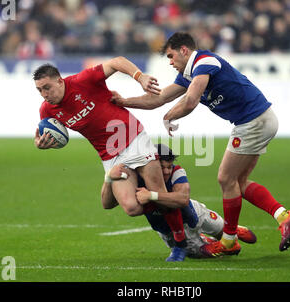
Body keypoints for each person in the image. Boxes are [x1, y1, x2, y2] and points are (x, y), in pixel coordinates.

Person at [111, 32, 290, 257]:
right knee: (238, 182)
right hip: (260, 120)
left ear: (184, 50)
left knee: (225, 178)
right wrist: (124, 101)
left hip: (252, 121)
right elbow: (159, 98)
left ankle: (229, 240)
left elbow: (191, 101)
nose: (170, 62)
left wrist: (169, 117)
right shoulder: (189, 74)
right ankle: (283, 216)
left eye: (172, 56)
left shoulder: (205, 62)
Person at [32, 57, 188, 261]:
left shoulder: (82, 80)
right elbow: (41, 134)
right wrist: (40, 144)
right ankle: (166, 204)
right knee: (132, 207)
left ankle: (180, 245)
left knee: (161, 196)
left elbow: (116, 62)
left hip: (134, 139)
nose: (44, 95)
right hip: (110, 156)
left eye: (47, 88)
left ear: (60, 81)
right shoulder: (46, 110)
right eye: (39, 90)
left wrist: (140, 77)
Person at [101, 144, 257, 258]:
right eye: (162, 167)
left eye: (169, 166)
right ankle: (207, 241)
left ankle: (233, 229)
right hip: (167, 230)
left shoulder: (177, 171)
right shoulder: (136, 180)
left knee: (221, 229)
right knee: (201, 253)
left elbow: (183, 199)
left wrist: (152, 196)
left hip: (194, 213)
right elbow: (107, 204)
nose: (167, 171)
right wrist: (108, 179)